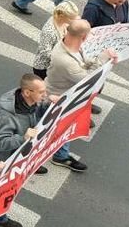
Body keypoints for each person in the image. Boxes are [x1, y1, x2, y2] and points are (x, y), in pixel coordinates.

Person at [45, 19, 118, 172]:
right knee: (64, 126)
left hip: (59, 94)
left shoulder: (69, 45)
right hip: (59, 98)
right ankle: (60, 156)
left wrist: (102, 59)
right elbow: (88, 80)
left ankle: (53, 148)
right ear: (84, 37)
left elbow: (84, 61)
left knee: (50, 125)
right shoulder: (65, 61)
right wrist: (103, 59)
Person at [0, 74, 52, 209]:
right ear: (27, 93)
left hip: (22, 154)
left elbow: (41, 103)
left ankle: (31, 165)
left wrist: (50, 101)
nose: (44, 94)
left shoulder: (32, 100)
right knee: (4, 190)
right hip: (6, 160)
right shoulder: (7, 116)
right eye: (41, 92)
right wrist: (23, 138)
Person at [32, 0, 78, 79]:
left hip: (55, 65)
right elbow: (45, 52)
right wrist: (63, 59)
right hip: (44, 67)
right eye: (71, 18)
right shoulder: (49, 31)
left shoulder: (63, 22)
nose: (74, 20)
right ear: (62, 16)